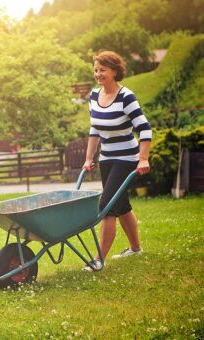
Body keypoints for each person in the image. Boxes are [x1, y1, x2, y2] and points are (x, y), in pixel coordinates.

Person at [82, 50, 151, 271]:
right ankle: (136, 248)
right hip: (107, 158)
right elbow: (94, 130)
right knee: (121, 205)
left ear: (114, 71)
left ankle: (98, 259)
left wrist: (143, 159)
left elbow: (144, 129)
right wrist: (88, 158)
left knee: (107, 206)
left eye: (102, 70)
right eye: (95, 70)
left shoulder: (126, 96)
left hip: (127, 158)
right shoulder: (94, 96)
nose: (98, 74)